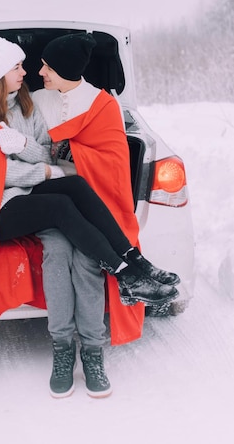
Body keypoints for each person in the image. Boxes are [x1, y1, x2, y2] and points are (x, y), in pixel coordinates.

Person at [0, 24, 178, 395]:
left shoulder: (25, 105)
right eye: (18, 67)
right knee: (59, 204)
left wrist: (20, 144)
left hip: (30, 194)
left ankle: (136, 266)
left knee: (77, 186)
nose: (26, 71)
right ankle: (124, 272)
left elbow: (40, 150)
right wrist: (44, 169)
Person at [33, 31, 181, 394]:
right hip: (49, 198)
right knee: (56, 255)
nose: (41, 72)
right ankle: (62, 348)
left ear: (66, 69)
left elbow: (112, 163)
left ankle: (93, 352)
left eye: (48, 66)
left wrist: (66, 151)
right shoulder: (36, 100)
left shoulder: (102, 105)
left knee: (87, 262)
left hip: (94, 202)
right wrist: (55, 154)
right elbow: (27, 150)